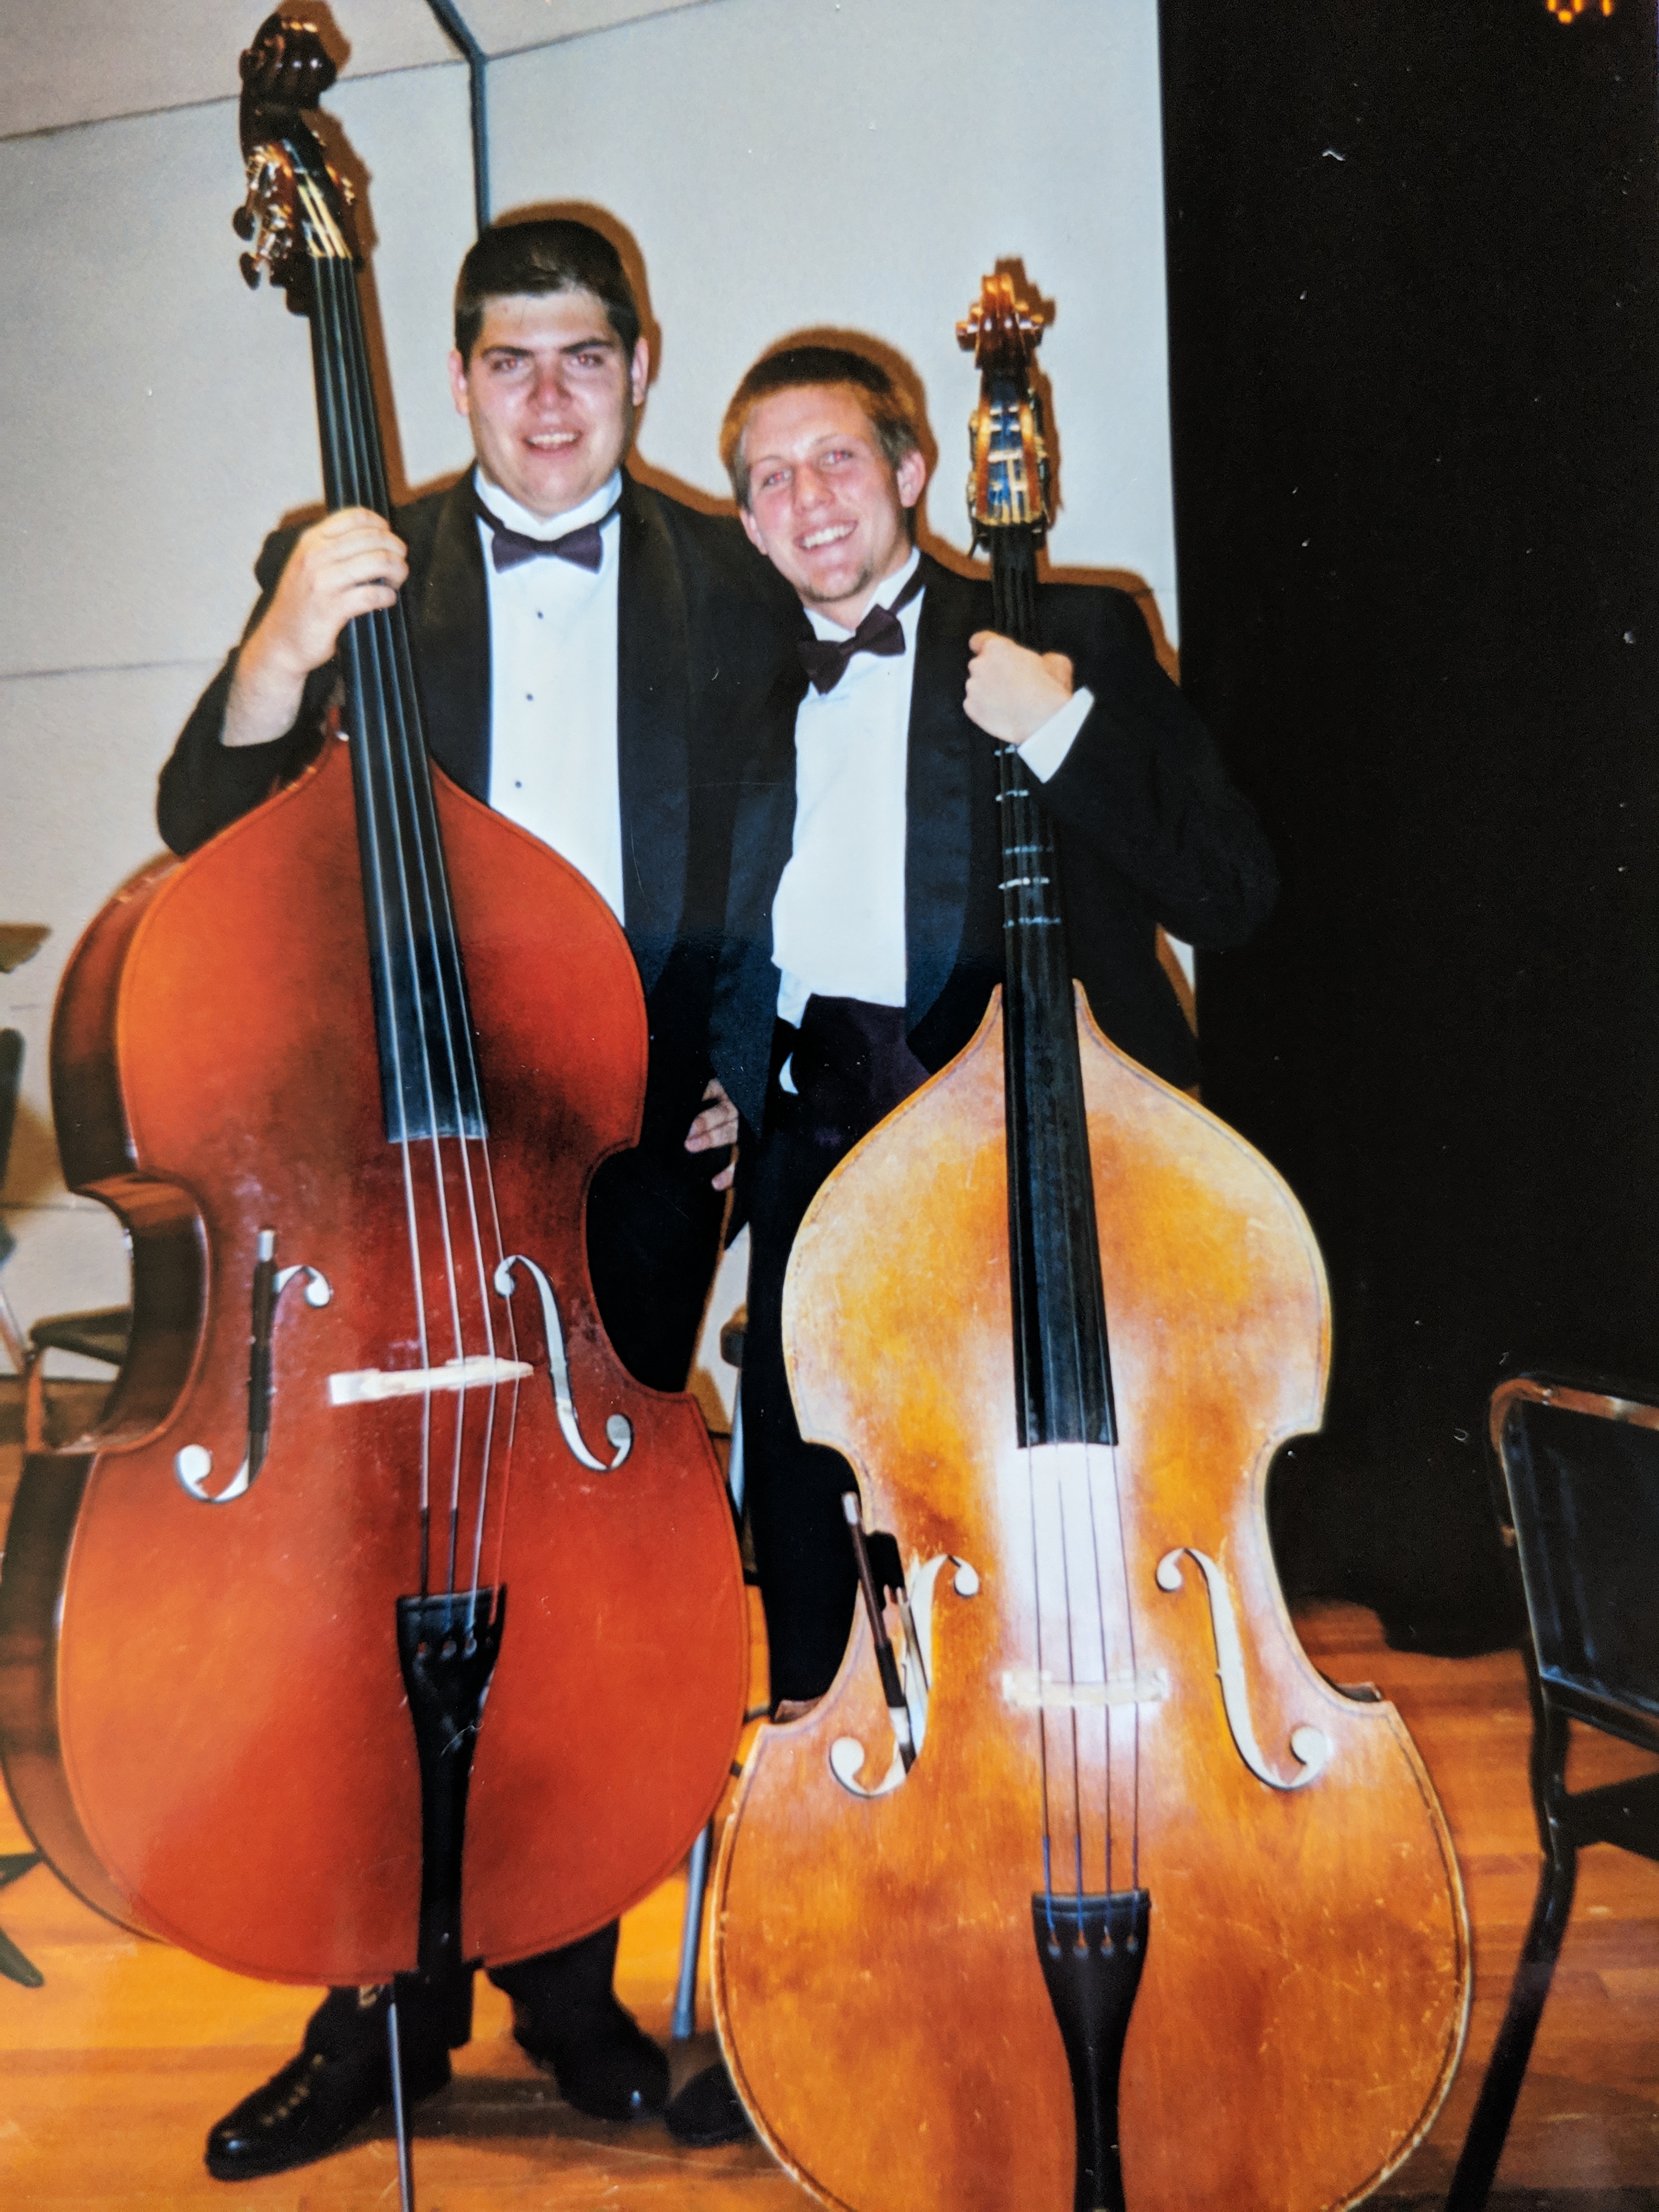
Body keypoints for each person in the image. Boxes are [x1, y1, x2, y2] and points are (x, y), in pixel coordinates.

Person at [158, 218, 794, 2181]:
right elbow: (203, 820)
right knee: (372, 1584)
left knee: (580, 1587)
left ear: (641, 364)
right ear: (450, 379)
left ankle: (569, 1971)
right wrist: (280, 639)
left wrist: (736, 1098)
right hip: (385, 1174)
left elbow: (771, 890)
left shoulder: (732, 587)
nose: (544, 392)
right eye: (507, 357)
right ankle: (380, 2004)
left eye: (582, 355)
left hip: (609, 1160)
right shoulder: (357, 564)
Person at [663, 343, 1279, 2146]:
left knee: (1059, 1555)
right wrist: (717, 1086)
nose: (803, 506)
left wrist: (1067, 729)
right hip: (818, 1166)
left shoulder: (1065, 622)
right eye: (764, 478)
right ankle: (819, 1968)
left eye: (835, 461)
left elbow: (1231, 890)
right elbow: (729, 938)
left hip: (1046, 1171)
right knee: (812, 1567)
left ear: (919, 468)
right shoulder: (745, 680)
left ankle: (1125, 1920)